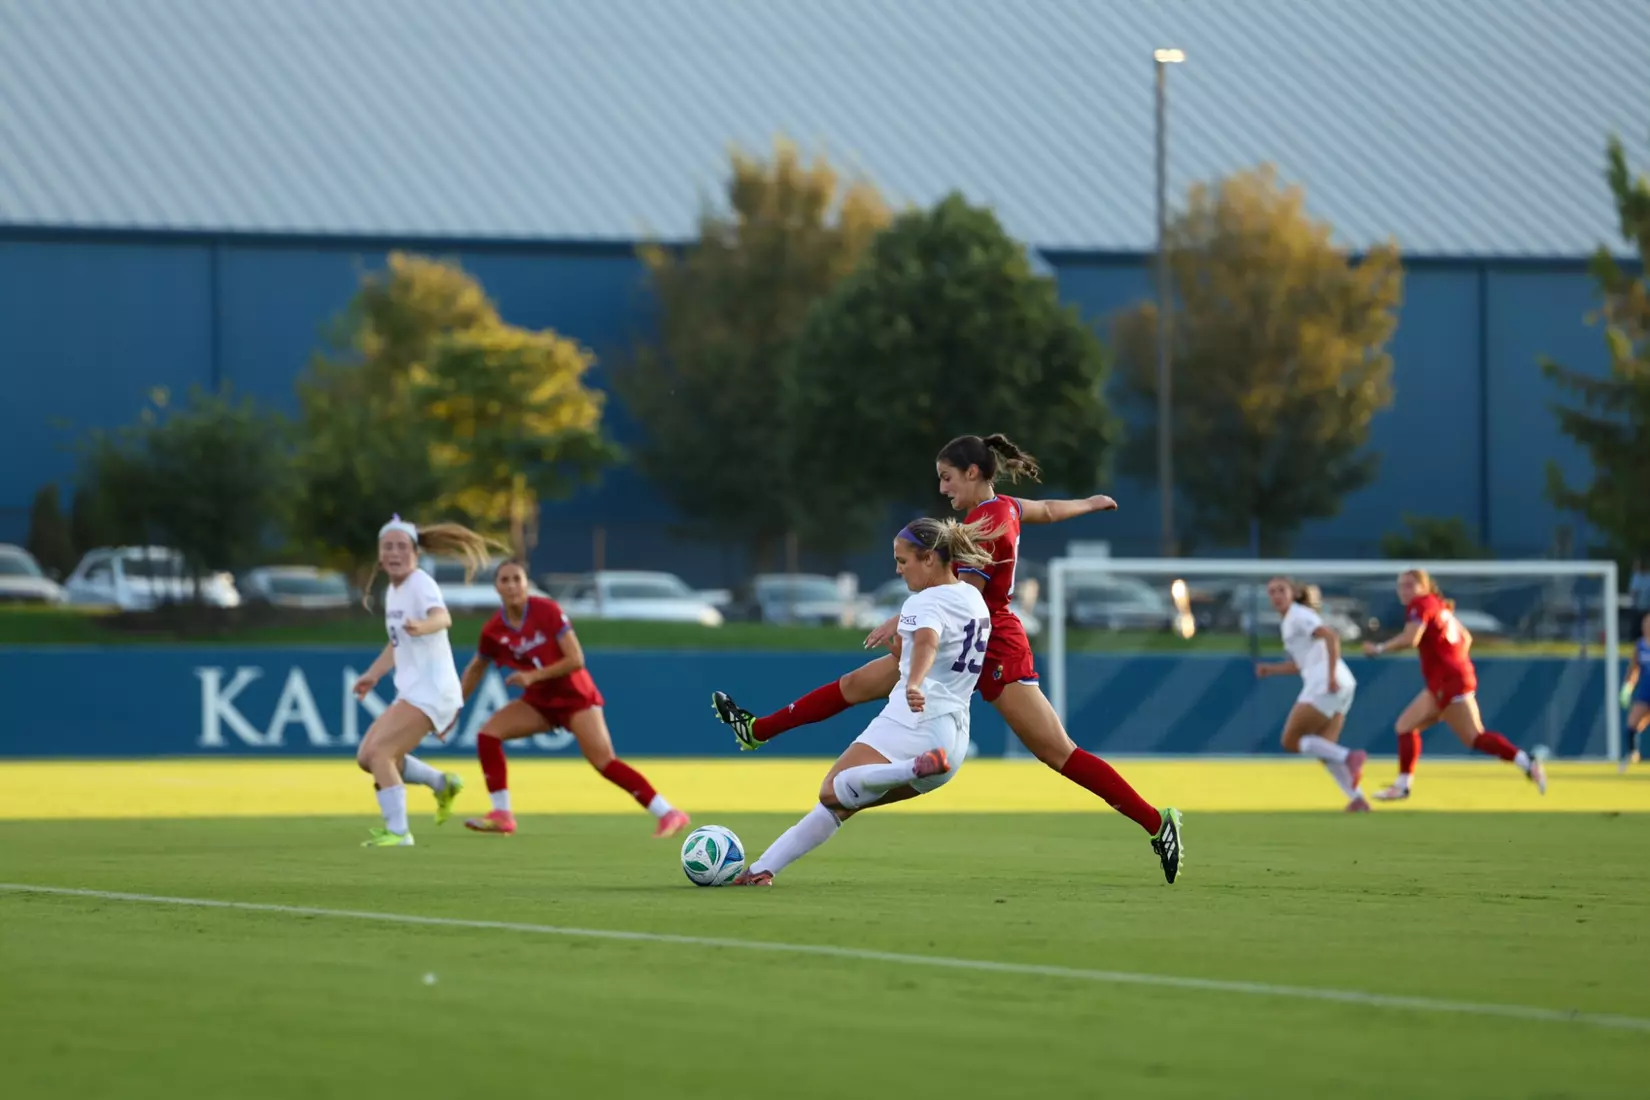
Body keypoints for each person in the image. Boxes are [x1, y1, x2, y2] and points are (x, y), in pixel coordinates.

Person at [714, 433, 1184, 884]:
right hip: (973, 631)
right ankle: (758, 730)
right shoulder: (1003, 509)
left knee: (1057, 752)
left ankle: (1155, 822)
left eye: (947, 477)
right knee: (858, 685)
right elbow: (1045, 509)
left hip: (989, 642)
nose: (942, 488)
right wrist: (1089, 503)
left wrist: (904, 626)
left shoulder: (984, 525)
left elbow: (954, 602)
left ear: (974, 472)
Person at [732, 518, 992, 885]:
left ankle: (912, 768)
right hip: (953, 741)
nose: (898, 570)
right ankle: (762, 870)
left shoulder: (925, 601)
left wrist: (914, 679)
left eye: (903, 561)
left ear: (930, 558)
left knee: (831, 789)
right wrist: (908, 657)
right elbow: (937, 647)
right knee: (840, 804)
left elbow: (929, 643)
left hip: (914, 722)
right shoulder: (972, 597)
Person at [459, 560, 691, 838]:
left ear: (526, 583)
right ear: (496, 587)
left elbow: (576, 659)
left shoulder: (547, 610)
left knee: (604, 761)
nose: (511, 586)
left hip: (575, 696)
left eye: (516, 579)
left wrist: (534, 676)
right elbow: (476, 667)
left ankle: (668, 812)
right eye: (504, 580)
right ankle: (502, 814)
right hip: (540, 702)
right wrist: (454, 706)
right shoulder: (494, 630)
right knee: (488, 735)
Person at [352, 516, 498, 847]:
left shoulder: (420, 583)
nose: (394, 553)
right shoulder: (394, 590)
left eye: (402, 547)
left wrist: (425, 626)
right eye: (387, 547)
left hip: (432, 691)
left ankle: (400, 832)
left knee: (381, 755)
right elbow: (397, 641)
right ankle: (440, 782)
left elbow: (442, 617)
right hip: (414, 691)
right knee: (367, 757)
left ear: (415, 553)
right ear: (379, 554)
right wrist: (374, 674)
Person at [1363, 568, 1548, 800]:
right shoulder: (1438, 605)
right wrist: (1452, 660)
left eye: (1410, 585)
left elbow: (1412, 639)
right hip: (1450, 678)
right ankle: (1402, 786)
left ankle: (1527, 762)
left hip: (1448, 681)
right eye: (1401, 585)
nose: (1404, 590)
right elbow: (1466, 637)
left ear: (1425, 586)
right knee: (1405, 726)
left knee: (1474, 737)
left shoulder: (1420, 604)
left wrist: (1379, 649)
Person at [1254, 577, 1368, 811]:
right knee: (1325, 749)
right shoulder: (1289, 621)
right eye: (1271, 592)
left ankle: (1349, 756)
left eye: (1281, 590)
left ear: (1293, 593)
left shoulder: (1299, 615)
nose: (1276, 595)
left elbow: (1331, 636)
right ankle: (1357, 798)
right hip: (1341, 684)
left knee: (1291, 740)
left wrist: (1330, 676)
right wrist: (1271, 669)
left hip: (1325, 683)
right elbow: (1300, 664)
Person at [1618, 612, 1650, 771]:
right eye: (1646, 624)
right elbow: (1634, 670)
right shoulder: (1641, 646)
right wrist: (1627, 688)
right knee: (1633, 723)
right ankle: (1632, 754)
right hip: (1646, 692)